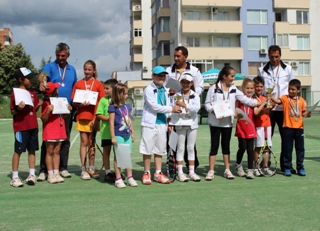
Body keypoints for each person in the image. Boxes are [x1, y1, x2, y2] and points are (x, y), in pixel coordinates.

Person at [204, 66, 259, 180]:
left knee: (226, 147)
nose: (233, 78)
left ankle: (227, 170)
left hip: (227, 123)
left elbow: (245, 99)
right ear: (224, 76)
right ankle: (211, 171)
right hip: (215, 122)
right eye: (231, 76)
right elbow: (207, 104)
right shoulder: (213, 88)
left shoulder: (233, 89)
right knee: (214, 146)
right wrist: (213, 111)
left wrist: (259, 102)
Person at [37, 42, 78, 180]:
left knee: (64, 139)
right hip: (52, 107)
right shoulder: (50, 66)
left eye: (63, 55)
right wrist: (42, 82)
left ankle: (62, 168)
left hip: (66, 108)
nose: (60, 58)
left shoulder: (72, 69)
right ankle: (44, 169)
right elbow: (41, 76)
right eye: (58, 55)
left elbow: (74, 87)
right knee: (48, 140)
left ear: (68, 55)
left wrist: (73, 104)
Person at [140, 66, 181, 185]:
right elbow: (154, 107)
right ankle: (146, 173)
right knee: (147, 149)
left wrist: (169, 120)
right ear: (153, 76)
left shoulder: (166, 90)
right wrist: (171, 109)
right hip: (149, 124)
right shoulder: (148, 89)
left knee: (160, 149)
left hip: (162, 123)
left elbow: (167, 107)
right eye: (158, 75)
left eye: (163, 75)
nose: (161, 77)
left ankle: (158, 173)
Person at [165, 46, 204, 170]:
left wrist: (187, 94)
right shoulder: (168, 70)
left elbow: (200, 88)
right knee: (172, 139)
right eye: (174, 56)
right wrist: (169, 92)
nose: (175, 58)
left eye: (178, 56)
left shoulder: (194, 70)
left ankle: (192, 165)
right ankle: (172, 164)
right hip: (173, 109)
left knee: (189, 142)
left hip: (188, 110)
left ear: (185, 57)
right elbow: (164, 87)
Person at [258, 45, 295, 173]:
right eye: (272, 57)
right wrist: (265, 103)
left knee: (286, 138)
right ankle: (265, 163)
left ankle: (286, 166)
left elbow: (292, 88)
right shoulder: (262, 70)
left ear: (280, 56)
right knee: (267, 137)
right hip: (268, 109)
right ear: (268, 56)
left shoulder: (288, 69)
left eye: (277, 57)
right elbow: (261, 89)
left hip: (284, 109)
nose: (274, 59)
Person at [71, 60, 106, 180]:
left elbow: (102, 103)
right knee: (83, 142)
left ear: (94, 71)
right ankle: (83, 169)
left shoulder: (98, 84)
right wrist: (81, 105)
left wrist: (96, 118)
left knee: (92, 142)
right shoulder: (79, 84)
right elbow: (74, 102)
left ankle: (91, 168)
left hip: (94, 118)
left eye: (89, 70)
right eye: (85, 69)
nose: (87, 72)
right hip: (82, 116)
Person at [270, 79, 310, 176]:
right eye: (289, 89)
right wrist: (270, 95)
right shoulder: (285, 98)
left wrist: (308, 114)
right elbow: (277, 101)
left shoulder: (301, 100)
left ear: (298, 90)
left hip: (299, 128)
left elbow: (303, 113)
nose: (290, 91)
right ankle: (287, 167)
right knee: (287, 148)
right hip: (287, 127)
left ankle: (300, 167)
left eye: (293, 89)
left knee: (300, 149)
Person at [9, 68, 42, 187]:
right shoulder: (15, 93)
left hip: (33, 126)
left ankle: (32, 174)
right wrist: (19, 109)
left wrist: (38, 105)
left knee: (32, 150)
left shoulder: (33, 93)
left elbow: (34, 110)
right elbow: (12, 111)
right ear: (20, 79)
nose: (31, 80)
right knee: (18, 151)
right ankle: (15, 177)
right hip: (21, 127)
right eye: (28, 78)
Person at [168, 73, 201, 182]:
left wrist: (185, 105)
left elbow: (197, 108)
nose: (185, 84)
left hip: (192, 124)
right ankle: (180, 172)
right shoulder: (177, 95)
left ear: (191, 83)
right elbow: (173, 108)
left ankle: (191, 172)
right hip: (180, 123)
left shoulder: (195, 95)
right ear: (181, 83)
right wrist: (171, 122)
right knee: (180, 147)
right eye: (183, 82)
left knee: (191, 147)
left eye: (188, 82)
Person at [41, 82, 72, 184]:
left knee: (57, 151)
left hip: (60, 129)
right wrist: (48, 111)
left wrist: (68, 111)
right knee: (49, 151)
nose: (58, 90)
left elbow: (63, 117)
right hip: (50, 130)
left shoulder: (60, 101)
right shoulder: (46, 103)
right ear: (51, 92)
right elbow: (44, 119)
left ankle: (56, 172)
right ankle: (50, 174)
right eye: (56, 89)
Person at [108, 83, 138, 188]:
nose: (126, 96)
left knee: (128, 156)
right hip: (118, 135)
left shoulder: (127, 106)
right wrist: (113, 137)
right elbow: (111, 123)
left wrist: (133, 133)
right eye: (124, 94)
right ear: (118, 94)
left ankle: (130, 177)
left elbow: (129, 120)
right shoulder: (113, 108)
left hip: (127, 135)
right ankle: (118, 178)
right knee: (118, 157)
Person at [96, 78, 119, 183]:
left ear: (114, 89)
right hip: (106, 132)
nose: (105, 90)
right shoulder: (103, 100)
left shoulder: (119, 100)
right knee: (106, 151)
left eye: (107, 88)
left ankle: (117, 172)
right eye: (104, 88)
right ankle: (108, 172)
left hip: (118, 132)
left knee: (117, 153)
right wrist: (109, 119)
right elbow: (99, 114)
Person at [234, 78, 257, 179]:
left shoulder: (254, 101)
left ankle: (250, 170)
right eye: (247, 88)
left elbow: (256, 112)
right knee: (242, 148)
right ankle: (238, 165)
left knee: (250, 150)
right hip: (241, 127)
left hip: (251, 128)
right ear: (243, 88)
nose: (249, 90)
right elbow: (234, 111)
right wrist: (235, 114)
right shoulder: (238, 100)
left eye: (251, 88)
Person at [252, 76, 274, 177]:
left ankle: (265, 166)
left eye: (261, 86)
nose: (259, 88)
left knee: (267, 147)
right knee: (258, 146)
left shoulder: (266, 98)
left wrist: (271, 105)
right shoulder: (252, 99)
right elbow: (255, 114)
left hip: (268, 124)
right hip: (258, 126)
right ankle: (256, 167)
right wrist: (263, 111)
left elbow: (271, 107)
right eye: (257, 86)